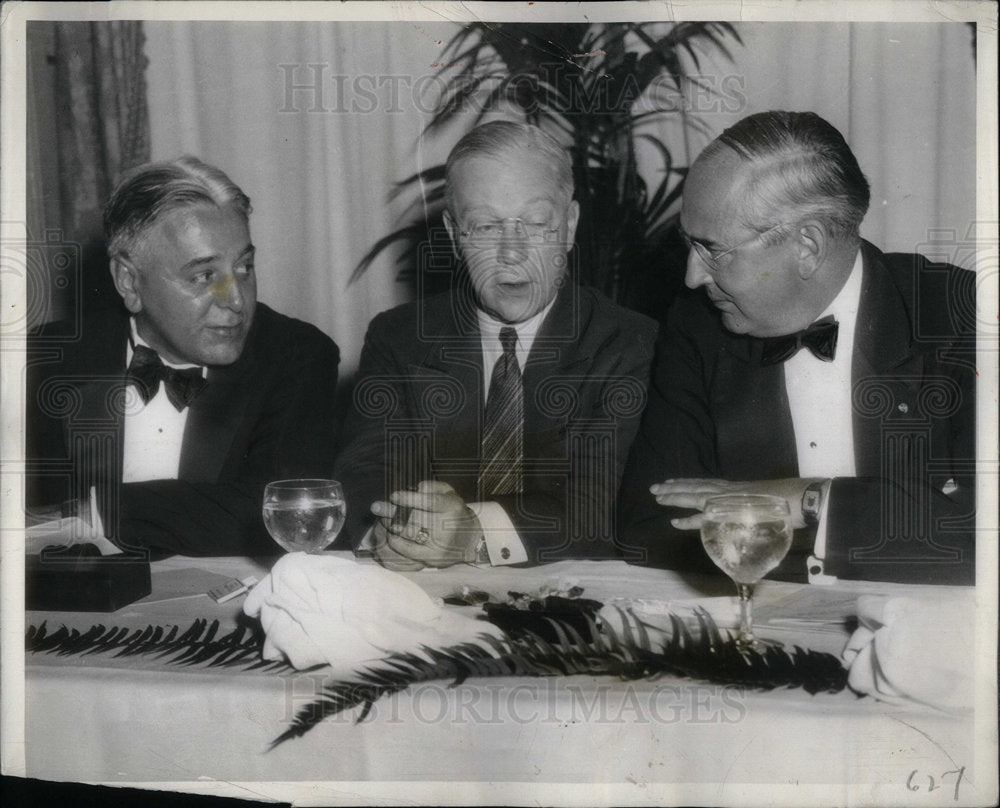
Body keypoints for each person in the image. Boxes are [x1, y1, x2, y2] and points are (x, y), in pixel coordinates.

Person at [618, 111, 975, 585]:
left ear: (807, 245)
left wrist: (806, 499)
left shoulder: (963, 316)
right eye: (690, 244)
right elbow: (650, 525)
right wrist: (879, 515)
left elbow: (982, 531)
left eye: (713, 249)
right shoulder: (698, 326)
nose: (692, 275)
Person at [335, 121, 658, 569]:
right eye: (485, 226)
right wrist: (393, 532)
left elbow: (601, 501)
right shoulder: (400, 336)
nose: (511, 251)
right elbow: (366, 467)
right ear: (454, 234)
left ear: (569, 224)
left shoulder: (630, 344)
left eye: (536, 222)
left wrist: (474, 533)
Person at [26, 156, 341, 556]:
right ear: (129, 281)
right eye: (204, 276)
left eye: (244, 267)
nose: (236, 300)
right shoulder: (48, 359)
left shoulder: (297, 355)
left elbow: (285, 511)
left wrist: (92, 512)